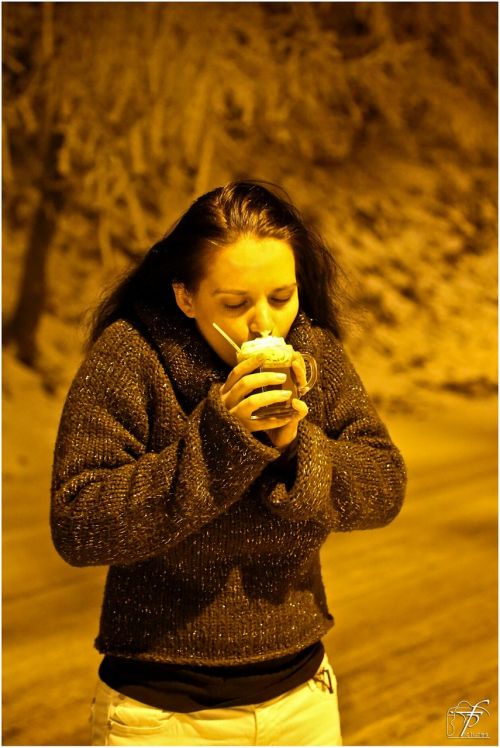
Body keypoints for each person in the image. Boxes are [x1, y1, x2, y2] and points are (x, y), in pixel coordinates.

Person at [50, 180, 406, 746]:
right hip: (159, 713)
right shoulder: (131, 357)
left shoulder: (314, 354)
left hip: (300, 700)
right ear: (186, 297)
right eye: (236, 303)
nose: (263, 324)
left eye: (282, 297)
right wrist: (222, 441)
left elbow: (383, 484)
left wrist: (296, 446)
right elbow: (79, 524)